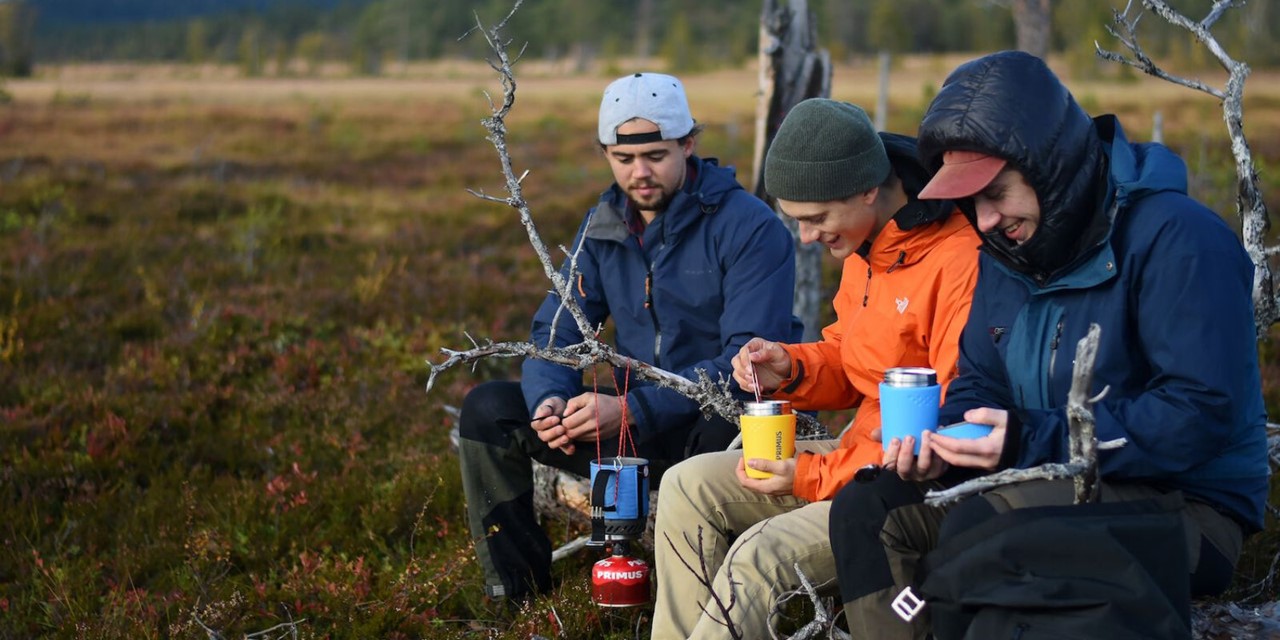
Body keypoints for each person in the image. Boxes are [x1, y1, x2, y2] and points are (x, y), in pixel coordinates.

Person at [828, 50, 1269, 639]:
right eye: (971, 203)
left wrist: (1032, 439)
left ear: (1050, 164)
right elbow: (981, 380)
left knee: (981, 529)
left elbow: (1198, 413)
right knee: (868, 510)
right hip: (1038, 471)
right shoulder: (1007, 256)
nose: (984, 221)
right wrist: (945, 440)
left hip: (1187, 507)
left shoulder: (1178, 239)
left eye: (997, 193)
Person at [457, 72, 804, 605]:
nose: (639, 173)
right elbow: (556, 331)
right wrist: (550, 402)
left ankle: (711, 608)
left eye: (656, 155)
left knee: (722, 432)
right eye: (623, 159)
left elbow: (749, 367)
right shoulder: (602, 228)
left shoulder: (750, 228)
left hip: (715, 429)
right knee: (489, 411)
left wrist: (634, 408)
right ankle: (517, 602)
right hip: (627, 432)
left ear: (688, 144)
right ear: (605, 154)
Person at [650, 98, 981, 638]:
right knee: (688, 486)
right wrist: (792, 368)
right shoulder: (867, 247)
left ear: (867, 189)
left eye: (816, 218)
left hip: (905, 484)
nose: (806, 237)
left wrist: (810, 475)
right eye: (797, 220)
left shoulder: (957, 260)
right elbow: (853, 361)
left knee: (759, 557)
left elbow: (938, 419)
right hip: (856, 455)